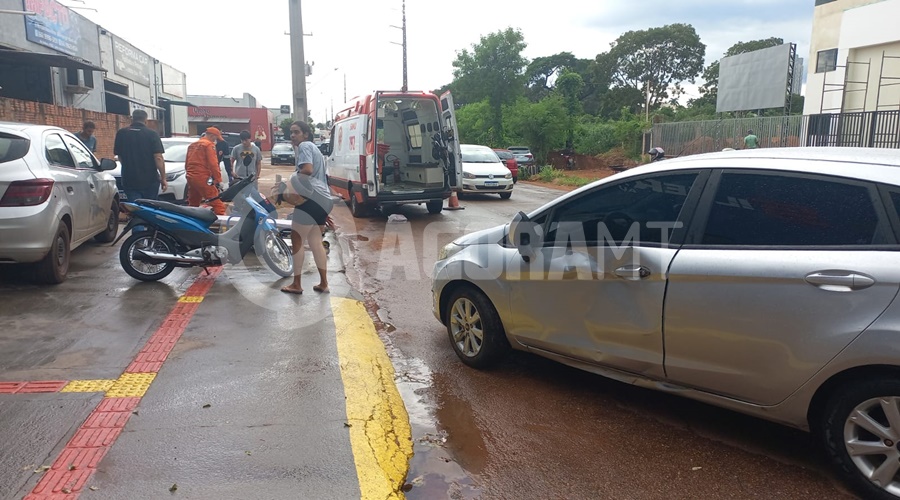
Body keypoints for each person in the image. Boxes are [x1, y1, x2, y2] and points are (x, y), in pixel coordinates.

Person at [281, 120, 334, 295]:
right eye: (291, 133)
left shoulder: (304, 146)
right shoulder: (315, 149)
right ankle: (323, 283)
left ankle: (296, 284)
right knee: (315, 241)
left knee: (297, 241)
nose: (293, 136)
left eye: (296, 132)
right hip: (324, 199)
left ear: (306, 134)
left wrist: (291, 179)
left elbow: (308, 170)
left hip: (312, 199)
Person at [114, 110, 166, 201]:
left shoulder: (121, 133)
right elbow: (158, 158)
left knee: (135, 207)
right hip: (150, 179)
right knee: (150, 207)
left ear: (132, 119)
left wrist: (128, 166)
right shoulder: (152, 134)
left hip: (129, 178)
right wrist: (163, 178)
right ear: (145, 120)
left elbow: (120, 156)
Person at [185, 127, 226, 215]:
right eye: (216, 138)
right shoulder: (209, 145)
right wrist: (219, 180)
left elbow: (187, 163)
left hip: (190, 177)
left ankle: (192, 222)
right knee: (217, 203)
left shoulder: (192, 145)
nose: (216, 141)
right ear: (212, 136)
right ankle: (223, 225)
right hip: (203, 177)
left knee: (193, 204)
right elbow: (213, 164)